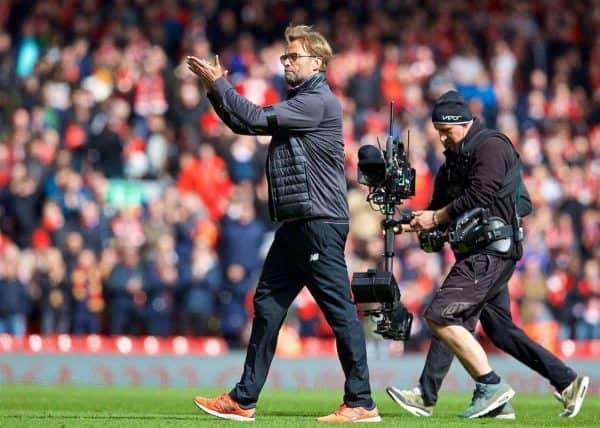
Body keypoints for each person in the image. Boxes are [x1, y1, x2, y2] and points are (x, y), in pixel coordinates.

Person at [186, 25, 380, 423]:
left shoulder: (318, 101)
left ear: (317, 63)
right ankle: (244, 399)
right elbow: (245, 124)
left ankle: (361, 402)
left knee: (339, 311)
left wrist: (219, 84)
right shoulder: (302, 101)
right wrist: (213, 89)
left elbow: (254, 118)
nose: (287, 62)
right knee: (267, 306)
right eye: (285, 57)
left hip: (318, 221)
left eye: (293, 57)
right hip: (296, 223)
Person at [388, 90, 588, 419]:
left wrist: (436, 218)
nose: (441, 137)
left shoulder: (492, 146)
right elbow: (436, 208)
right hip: (477, 252)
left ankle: (484, 387)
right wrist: (409, 223)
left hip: (491, 250)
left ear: (464, 123)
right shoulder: (452, 161)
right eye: (437, 129)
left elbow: (481, 193)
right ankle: (566, 382)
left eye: (446, 130)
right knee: (496, 329)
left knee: (443, 314)